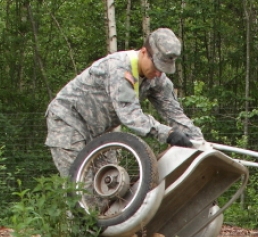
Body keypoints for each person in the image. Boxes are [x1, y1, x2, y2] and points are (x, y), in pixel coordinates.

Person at [45, 27, 205, 178]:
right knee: (81, 188)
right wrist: (168, 134)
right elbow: (130, 116)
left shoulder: (157, 80)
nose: (158, 72)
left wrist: (200, 144)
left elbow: (175, 115)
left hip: (101, 132)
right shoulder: (119, 68)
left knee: (110, 187)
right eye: (156, 66)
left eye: (163, 69)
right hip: (68, 121)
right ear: (144, 52)